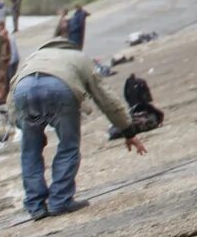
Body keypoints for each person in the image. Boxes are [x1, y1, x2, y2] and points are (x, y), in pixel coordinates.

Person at [10, 36, 147, 219]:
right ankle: (60, 201)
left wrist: (24, 125)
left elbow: (12, 94)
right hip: (61, 89)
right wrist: (128, 131)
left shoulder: (35, 57)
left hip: (24, 90)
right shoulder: (79, 58)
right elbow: (105, 97)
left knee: (30, 151)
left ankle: (36, 206)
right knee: (68, 146)